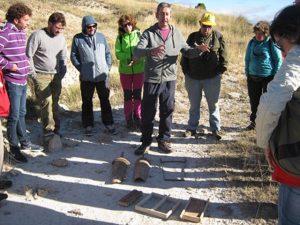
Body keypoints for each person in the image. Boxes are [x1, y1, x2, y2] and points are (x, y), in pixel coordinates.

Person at [133, 2, 204, 155]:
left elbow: (187, 51)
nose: (164, 17)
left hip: (169, 79)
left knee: (167, 110)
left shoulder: (176, 33)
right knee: (148, 112)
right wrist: (151, 50)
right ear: (156, 15)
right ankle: (145, 141)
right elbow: (137, 51)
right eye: (162, 13)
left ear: (170, 16)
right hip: (152, 78)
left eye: (167, 14)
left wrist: (198, 50)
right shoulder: (149, 33)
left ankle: (164, 140)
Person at [255, 5, 300, 225]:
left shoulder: (297, 60)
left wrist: (264, 142)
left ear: (294, 34)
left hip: (296, 168)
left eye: (282, 45)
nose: (283, 53)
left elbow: (270, 104)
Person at [181, 12, 228, 140]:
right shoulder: (192, 37)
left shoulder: (218, 36)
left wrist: (220, 72)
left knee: (213, 105)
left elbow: (224, 56)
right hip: (193, 78)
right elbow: (185, 54)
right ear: (200, 24)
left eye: (209, 26)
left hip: (212, 78)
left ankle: (215, 129)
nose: (206, 28)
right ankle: (191, 128)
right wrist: (186, 72)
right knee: (194, 105)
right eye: (204, 25)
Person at [0, 3, 36, 163]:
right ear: (16, 20)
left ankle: (25, 143)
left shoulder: (21, 31)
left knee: (22, 113)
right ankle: (14, 149)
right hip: (12, 80)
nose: (28, 22)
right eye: (26, 19)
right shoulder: (5, 33)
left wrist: (25, 66)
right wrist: (9, 66)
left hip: (23, 78)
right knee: (14, 116)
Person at [26, 12, 67, 148]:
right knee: (46, 102)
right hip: (40, 75)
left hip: (55, 75)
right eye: (57, 27)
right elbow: (28, 55)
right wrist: (33, 74)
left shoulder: (61, 38)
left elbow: (62, 56)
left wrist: (62, 71)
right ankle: (48, 131)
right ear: (50, 24)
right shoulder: (37, 35)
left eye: (61, 28)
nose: (59, 31)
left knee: (55, 102)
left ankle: (57, 129)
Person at [71, 16, 116, 135]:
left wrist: (108, 67)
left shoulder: (101, 37)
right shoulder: (77, 38)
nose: (91, 28)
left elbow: (107, 53)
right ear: (84, 27)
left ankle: (108, 123)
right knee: (86, 101)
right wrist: (82, 69)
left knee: (105, 100)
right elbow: (74, 56)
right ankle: (88, 125)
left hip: (102, 75)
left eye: (94, 26)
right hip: (87, 77)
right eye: (89, 26)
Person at [244, 21, 282, 130]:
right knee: (254, 101)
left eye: (261, 33)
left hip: (268, 77)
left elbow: (278, 60)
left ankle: (266, 124)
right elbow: (247, 58)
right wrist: (247, 72)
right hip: (252, 77)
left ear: (266, 33)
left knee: (267, 102)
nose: (259, 35)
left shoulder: (271, 43)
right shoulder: (251, 43)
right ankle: (254, 122)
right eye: (257, 33)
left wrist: (275, 75)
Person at [115, 15, 144, 130]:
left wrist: (138, 58)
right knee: (128, 96)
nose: (127, 27)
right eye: (125, 25)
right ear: (121, 26)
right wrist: (129, 57)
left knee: (137, 95)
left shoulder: (139, 35)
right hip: (125, 71)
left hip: (139, 70)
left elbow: (144, 51)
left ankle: (138, 117)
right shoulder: (120, 38)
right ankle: (128, 119)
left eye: (129, 24)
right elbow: (118, 54)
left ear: (133, 23)